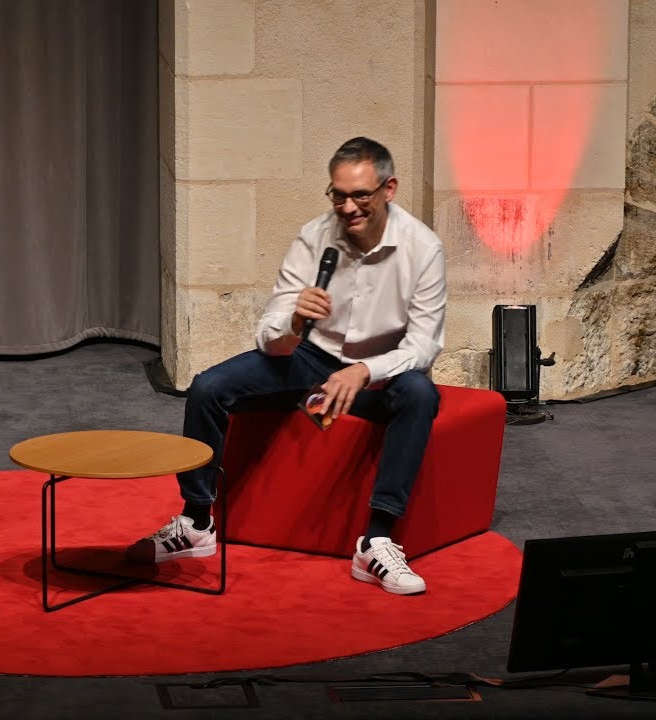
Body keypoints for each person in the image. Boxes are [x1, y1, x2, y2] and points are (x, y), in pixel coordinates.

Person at [129, 137, 446, 595]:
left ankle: (376, 541)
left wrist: (364, 371)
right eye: (338, 195)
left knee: (421, 394)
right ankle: (197, 522)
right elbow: (269, 334)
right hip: (312, 358)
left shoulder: (423, 249)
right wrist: (296, 321)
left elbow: (423, 345)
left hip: (381, 374)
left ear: (388, 189)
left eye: (361, 195)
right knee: (207, 387)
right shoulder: (314, 238)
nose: (348, 207)